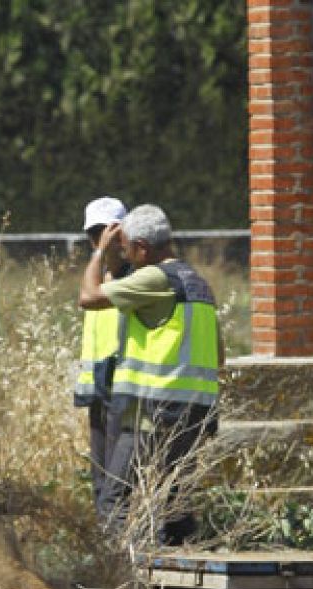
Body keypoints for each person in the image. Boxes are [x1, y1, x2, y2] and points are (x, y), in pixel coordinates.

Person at [78, 203, 222, 545]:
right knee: (175, 504)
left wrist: (99, 252)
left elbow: (88, 297)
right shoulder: (198, 283)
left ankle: (121, 571)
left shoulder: (155, 278)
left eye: (126, 247)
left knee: (113, 499)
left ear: (142, 248)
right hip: (197, 411)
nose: (124, 254)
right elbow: (220, 354)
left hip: (155, 411)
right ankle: (182, 563)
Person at [76, 196, 130, 528]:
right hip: (97, 386)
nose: (102, 240)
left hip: (121, 384)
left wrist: (102, 253)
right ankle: (105, 540)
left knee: (116, 478)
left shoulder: (134, 275)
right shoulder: (96, 274)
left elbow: (88, 299)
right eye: (95, 234)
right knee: (99, 476)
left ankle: (118, 539)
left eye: (108, 231)